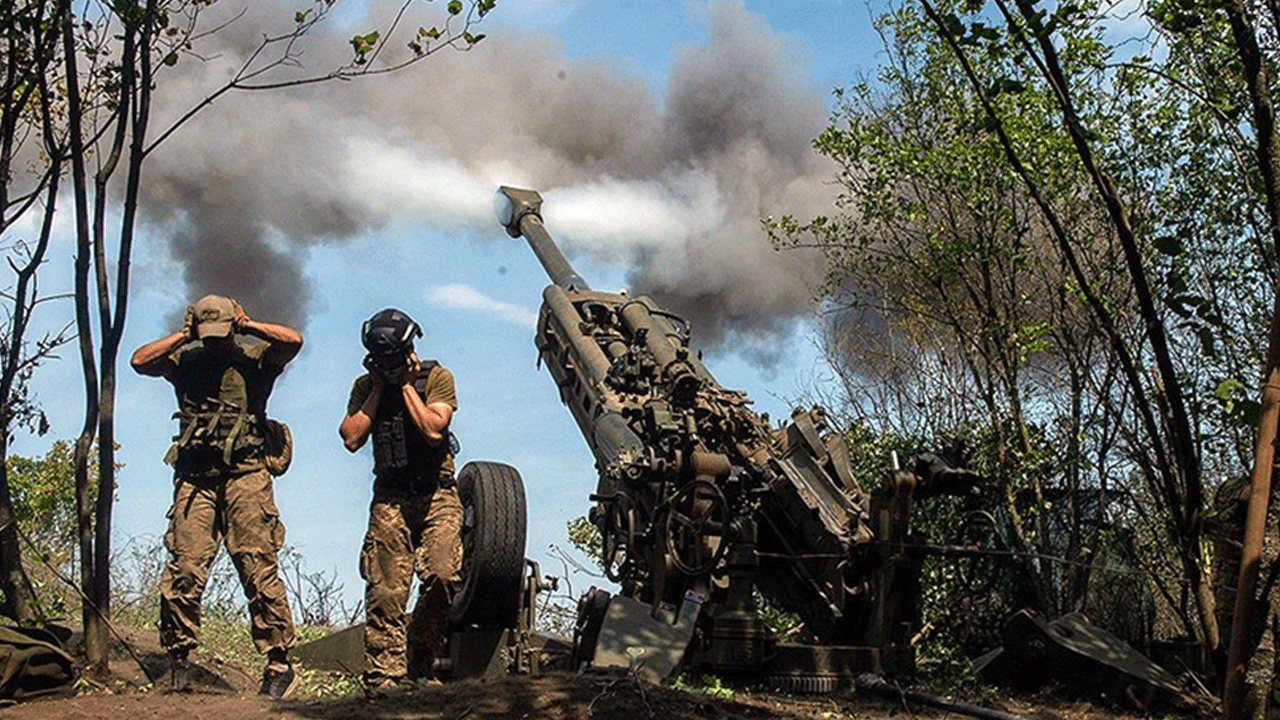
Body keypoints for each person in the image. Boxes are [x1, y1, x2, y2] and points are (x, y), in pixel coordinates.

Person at [130, 294, 302, 699]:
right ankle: (179, 661)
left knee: (258, 569)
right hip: (195, 479)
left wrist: (249, 325)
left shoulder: (255, 360)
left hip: (246, 477)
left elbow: (292, 341)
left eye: (220, 334)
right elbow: (139, 361)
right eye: (207, 335)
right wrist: (183, 335)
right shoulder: (185, 361)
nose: (214, 342)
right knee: (184, 570)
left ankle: (279, 665)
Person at [338, 308, 462, 694]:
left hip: (437, 493)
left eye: (394, 356)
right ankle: (384, 677)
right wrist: (378, 389)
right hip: (390, 497)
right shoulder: (365, 386)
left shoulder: (436, 378)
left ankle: (419, 660)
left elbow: (432, 429)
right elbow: (351, 437)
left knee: (442, 575)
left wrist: (407, 386)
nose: (389, 364)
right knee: (386, 590)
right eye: (381, 359)